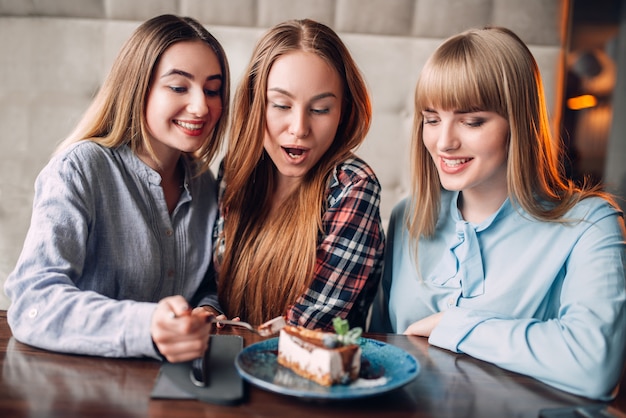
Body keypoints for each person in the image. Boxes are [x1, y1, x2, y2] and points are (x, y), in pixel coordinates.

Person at [370, 26, 626, 400]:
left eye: (472, 121)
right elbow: (380, 353)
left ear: (519, 124)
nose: (444, 142)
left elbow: (594, 366)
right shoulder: (409, 216)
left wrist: (457, 325)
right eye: (432, 118)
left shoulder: (592, 225)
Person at [4, 14, 231, 362]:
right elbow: (32, 302)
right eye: (178, 87)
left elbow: (204, 287)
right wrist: (148, 326)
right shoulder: (80, 168)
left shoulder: (204, 182)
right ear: (138, 87)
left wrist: (204, 313)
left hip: (173, 387)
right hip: (78, 384)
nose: (201, 106)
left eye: (212, 90)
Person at [211, 19, 384, 331]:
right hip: (223, 366)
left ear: (343, 111)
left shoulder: (353, 186)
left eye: (320, 110)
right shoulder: (234, 171)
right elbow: (209, 288)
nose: (299, 128)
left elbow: (309, 325)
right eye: (281, 105)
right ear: (254, 105)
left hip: (308, 374)